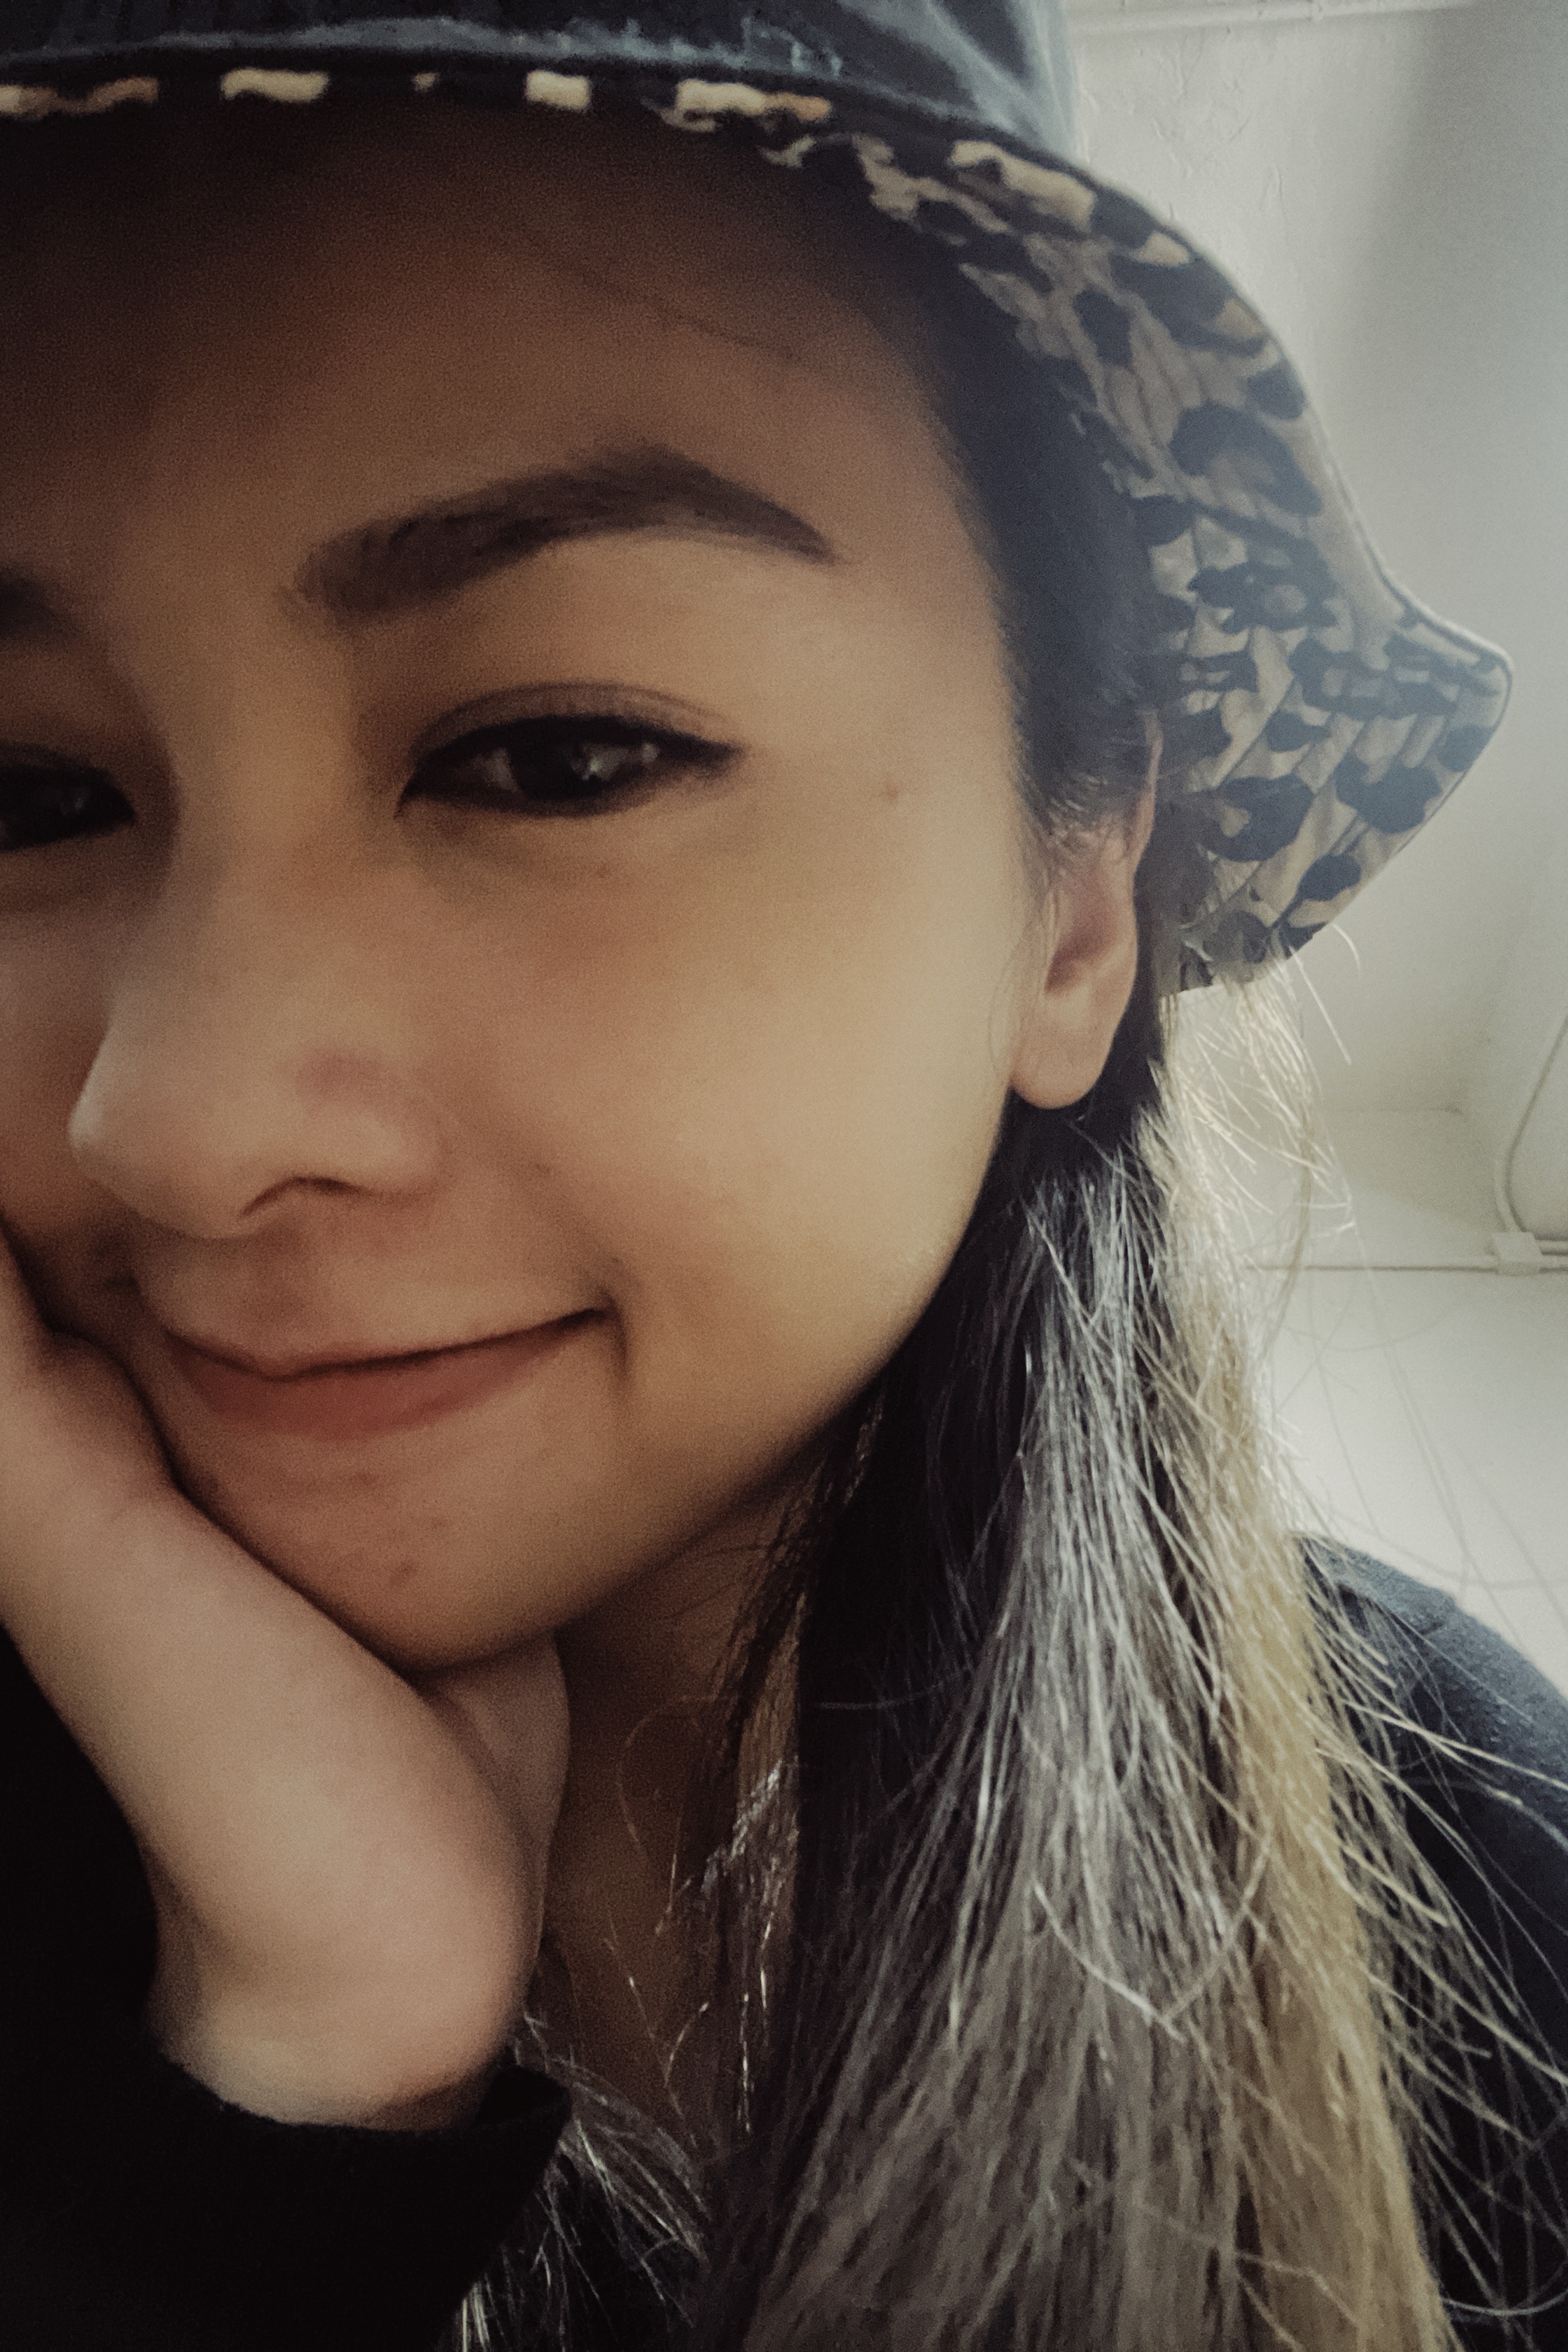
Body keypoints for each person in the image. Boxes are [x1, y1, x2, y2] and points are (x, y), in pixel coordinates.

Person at [0, 5, 1563, 2348]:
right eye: (26, 799)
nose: (177, 1122)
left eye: (558, 755)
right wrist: (286, 2116)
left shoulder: (1482, 1882)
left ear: (1079, 910)